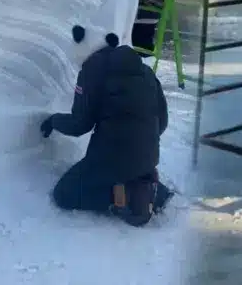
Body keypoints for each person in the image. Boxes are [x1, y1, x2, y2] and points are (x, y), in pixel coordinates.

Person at [41, 28, 172, 227]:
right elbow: (162, 121)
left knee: (64, 194)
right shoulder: (145, 71)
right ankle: (152, 190)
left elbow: (80, 124)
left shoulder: (92, 70)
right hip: (149, 158)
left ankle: (128, 197)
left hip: (112, 157)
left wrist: (53, 121)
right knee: (127, 169)